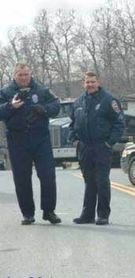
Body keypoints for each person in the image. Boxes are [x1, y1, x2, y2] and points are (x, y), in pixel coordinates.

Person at [0, 62, 62, 225]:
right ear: (14, 75)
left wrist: (44, 109)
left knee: (48, 176)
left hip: (40, 138)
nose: (23, 78)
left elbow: (56, 105)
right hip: (17, 139)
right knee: (22, 179)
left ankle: (49, 211)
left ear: (30, 74)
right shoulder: (6, 92)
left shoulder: (41, 89)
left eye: (26, 74)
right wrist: (10, 106)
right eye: (20, 75)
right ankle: (28, 213)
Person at [69, 72, 124, 225]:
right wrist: (75, 141)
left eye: (93, 82)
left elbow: (119, 124)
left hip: (102, 147)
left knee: (101, 181)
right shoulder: (79, 102)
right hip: (84, 147)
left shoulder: (108, 100)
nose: (90, 85)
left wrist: (109, 143)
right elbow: (72, 124)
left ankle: (103, 214)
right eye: (87, 82)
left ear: (98, 82)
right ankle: (87, 215)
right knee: (89, 181)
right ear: (83, 84)